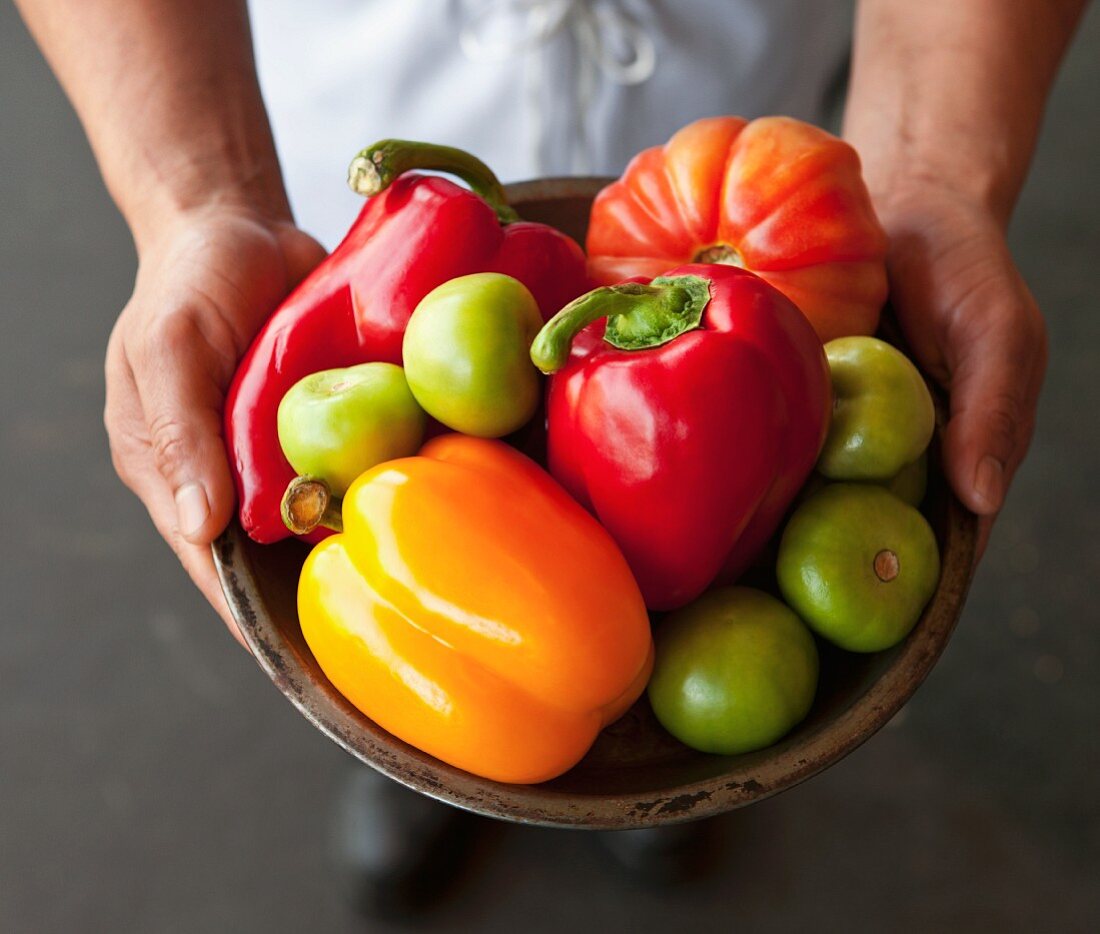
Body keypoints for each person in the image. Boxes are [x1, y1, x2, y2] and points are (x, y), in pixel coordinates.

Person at [14, 0, 1086, 915]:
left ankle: (649, 800)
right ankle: (426, 777)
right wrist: (201, 195)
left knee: (654, 674)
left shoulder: (724, 331)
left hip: (731, 150)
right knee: (427, 661)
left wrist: (933, 177)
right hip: (344, 99)